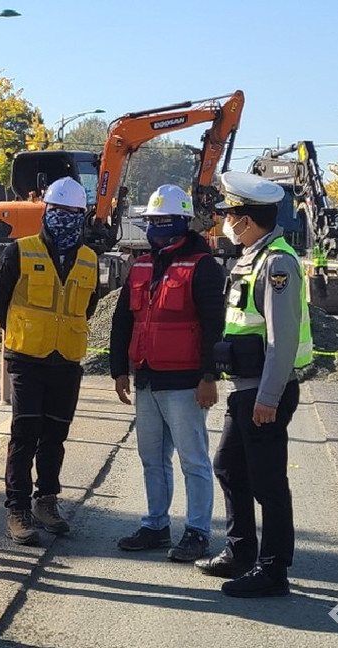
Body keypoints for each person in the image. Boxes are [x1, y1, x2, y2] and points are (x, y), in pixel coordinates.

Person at [195, 171, 313, 598]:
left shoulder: (277, 263)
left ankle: (273, 569)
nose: (225, 221)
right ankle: (240, 551)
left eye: (230, 214)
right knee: (228, 467)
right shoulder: (250, 257)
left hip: (265, 390)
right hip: (244, 388)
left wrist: (268, 396)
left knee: (268, 483)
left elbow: (282, 338)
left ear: (247, 220)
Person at [109, 184, 225, 562]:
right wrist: (118, 370)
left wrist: (209, 377)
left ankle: (197, 532)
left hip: (186, 382)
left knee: (193, 460)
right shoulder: (140, 264)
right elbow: (123, 320)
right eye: (152, 221)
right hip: (146, 378)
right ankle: (156, 525)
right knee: (152, 459)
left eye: (163, 221)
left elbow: (213, 325)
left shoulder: (204, 266)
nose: (156, 228)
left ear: (182, 222)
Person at [0, 176, 100, 546]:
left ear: (80, 216)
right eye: (57, 211)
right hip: (27, 358)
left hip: (66, 358)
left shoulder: (89, 259)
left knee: (55, 436)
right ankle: (17, 508)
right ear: (46, 212)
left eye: (71, 213)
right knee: (25, 435)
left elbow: (89, 306)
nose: (63, 219)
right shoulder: (20, 250)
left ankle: (46, 502)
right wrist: (23, 329)